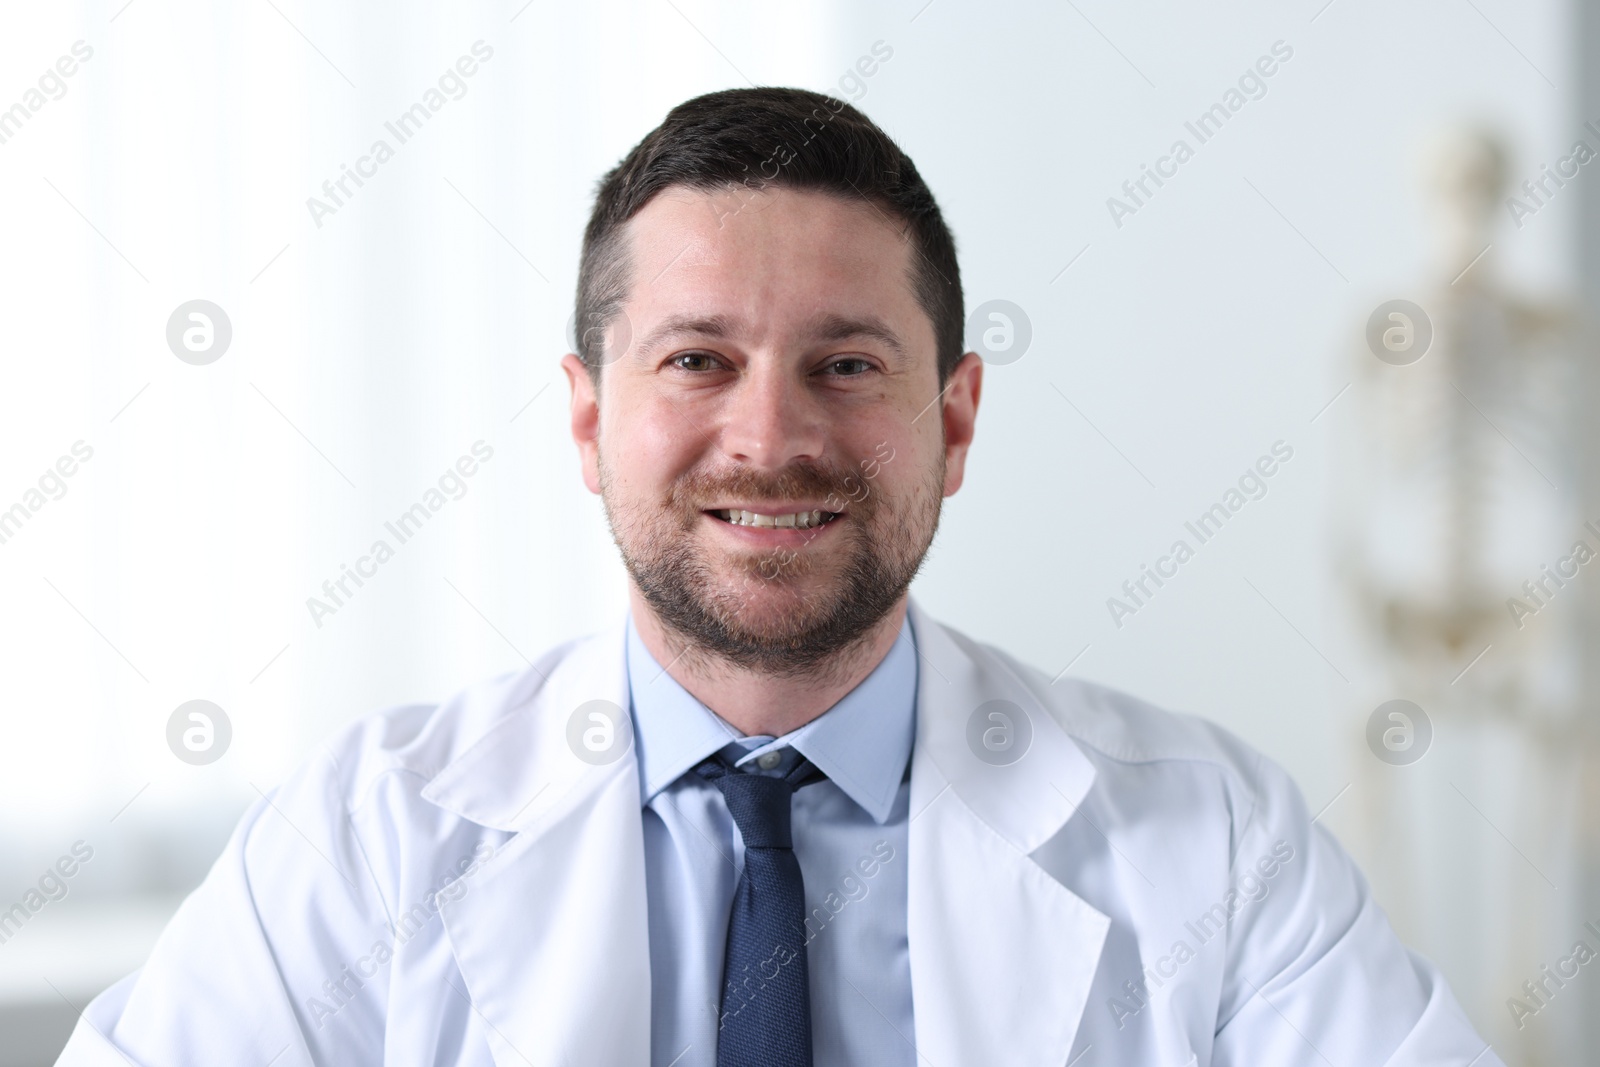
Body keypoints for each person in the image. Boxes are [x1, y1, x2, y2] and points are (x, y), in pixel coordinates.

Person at [57, 87, 1500, 1067]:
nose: (772, 438)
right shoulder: (366, 841)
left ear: (954, 418)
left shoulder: (1216, 845)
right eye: (697, 360)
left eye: (847, 365)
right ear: (586, 418)